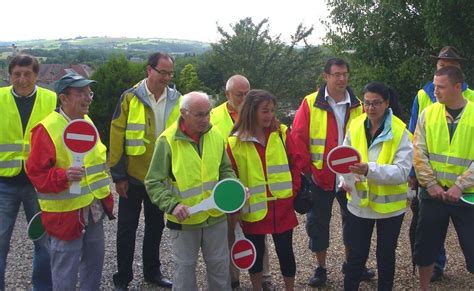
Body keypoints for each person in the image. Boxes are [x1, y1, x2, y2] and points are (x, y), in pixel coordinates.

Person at [26, 72, 114, 290]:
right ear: (63, 98)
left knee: (94, 264)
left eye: (89, 92)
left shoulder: (88, 122)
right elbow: (36, 175)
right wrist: (63, 176)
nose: (88, 98)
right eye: (81, 93)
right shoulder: (46, 129)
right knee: (65, 270)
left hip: (94, 208)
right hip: (64, 215)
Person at [292, 57, 373, 287]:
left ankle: (351, 264)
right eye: (336, 74)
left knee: (354, 221)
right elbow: (298, 138)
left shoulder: (359, 104)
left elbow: (367, 139)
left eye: (345, 74)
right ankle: (321, 267)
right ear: (325, 76)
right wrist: (309, 172)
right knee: (318, 223)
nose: (342, 78)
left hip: (351, 175)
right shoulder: (310, 103)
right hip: (320, 176)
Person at [145, 91, 236, 290]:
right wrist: (173, 205)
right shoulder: (167, 141)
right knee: (184, 271)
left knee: (220, 267)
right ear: (184, 113)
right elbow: (153, 182)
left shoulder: (216, 134)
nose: (206, 119)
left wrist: (233, 189)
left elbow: (225, 169)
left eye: (208, 113)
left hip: (215, 216)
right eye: (199, 114)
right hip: (184, 220)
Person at [109, 52, 179, 289]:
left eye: (170, 73)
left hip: (159, 179)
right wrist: (118, 176)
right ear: (149, 70)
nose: (167, 77)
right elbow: (116, 135)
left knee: (155, 227)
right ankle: (123, 278)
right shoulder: (130, 98)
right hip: (132, 177)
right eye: (163, 72)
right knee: (126, 230)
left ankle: (152, 272)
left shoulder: (176, 99)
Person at [408, 46, 474, 282]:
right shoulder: (428, 110)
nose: (435, 90)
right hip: (432, 193)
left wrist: (460, 185)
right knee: (425, 247)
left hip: (468, 195)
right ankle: (426, 284)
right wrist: (429, 183)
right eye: (434, 85)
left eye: (440, 87)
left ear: (458, 86)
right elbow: (418, 149)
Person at [341, 82, 413, 290]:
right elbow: (343, 159)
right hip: (359, 204)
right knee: (355, 257)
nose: (371, 108)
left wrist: (368, 170)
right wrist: (344, 180)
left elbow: (401, 172)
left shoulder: (400, 131)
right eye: (367, 103)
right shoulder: (355, 125)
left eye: (377, 103)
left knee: (386, 257)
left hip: (389, 210)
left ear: (387, 103)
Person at [226, 89, 298, 291]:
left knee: (286, 252)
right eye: (265, 111)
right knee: (254, 255)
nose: (270, 116)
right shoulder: (234, 142)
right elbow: (230, 176)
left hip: (282, 205)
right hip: (253, 209)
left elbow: (295, 163)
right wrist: (235, 207)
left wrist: (293, 191)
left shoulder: (282, 133)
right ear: (251, 111)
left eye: (272, 111)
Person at [0, 54, 54, 290]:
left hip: (39, 183)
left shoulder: (51, 99)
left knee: (44, 242)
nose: (22, 80)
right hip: (4, 183)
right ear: (9, 75)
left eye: (27, 74)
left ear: (36, 75)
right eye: (16, 75)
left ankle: (42, 287)